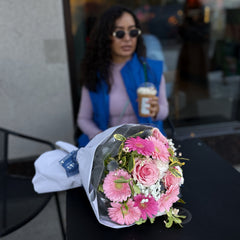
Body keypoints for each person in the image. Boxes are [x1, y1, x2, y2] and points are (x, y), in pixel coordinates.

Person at [77, 5, 169, 147]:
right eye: (119, 33)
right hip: (108, 150)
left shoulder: (150, 69)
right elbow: (83, 118)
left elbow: (164, 111)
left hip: (146, 148)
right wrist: (100, 138)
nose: (127, 38)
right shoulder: (95, 73)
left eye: (132, 32)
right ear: (106, 37)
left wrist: (156, 110)